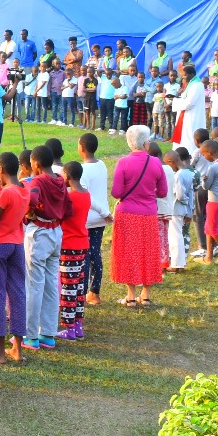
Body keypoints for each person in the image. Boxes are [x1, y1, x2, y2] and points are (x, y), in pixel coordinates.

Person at [111, 126, 169, 306]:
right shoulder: (156, 163)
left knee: (128, 252)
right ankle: (146, 294)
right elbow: (163, 192)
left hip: (127, 213)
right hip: (148, 214)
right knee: (148, 252)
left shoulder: (123, 163)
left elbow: (116, 192)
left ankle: (130, 295)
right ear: (145, 143)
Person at [0, 152, 27, 364]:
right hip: (17, 244)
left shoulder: (6, 193)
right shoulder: (24, 191)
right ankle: (17, 348)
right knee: (17, 293)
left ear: (0, 170)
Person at [22, 145, 66, 350]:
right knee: (50, 284)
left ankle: (30, 335)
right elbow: (68, 207)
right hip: (56, 233)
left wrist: (28, 211)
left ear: (36, 164)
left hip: (39, 233)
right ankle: (48, 333)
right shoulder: (59, 179)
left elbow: (31, 198)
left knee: (34, 284)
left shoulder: (38, 181)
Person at [57, 161, 92, 341]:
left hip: (68, 246)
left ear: (67, 176)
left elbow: (60, 215)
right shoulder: (86, 195)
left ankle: (69, 328)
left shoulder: (69, 198)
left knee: (68, 288)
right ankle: (78, 325)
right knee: (78, 287)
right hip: (82, 245)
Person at [78, 133, 111, 308]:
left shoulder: (83, 170)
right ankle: (95, 292)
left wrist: (104, 211)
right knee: (95, 254)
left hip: (89, 219)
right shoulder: (102, 165)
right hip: (100, 219)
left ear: (81, 148)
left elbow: (87, 197)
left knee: (85, 257)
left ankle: (83, 293)